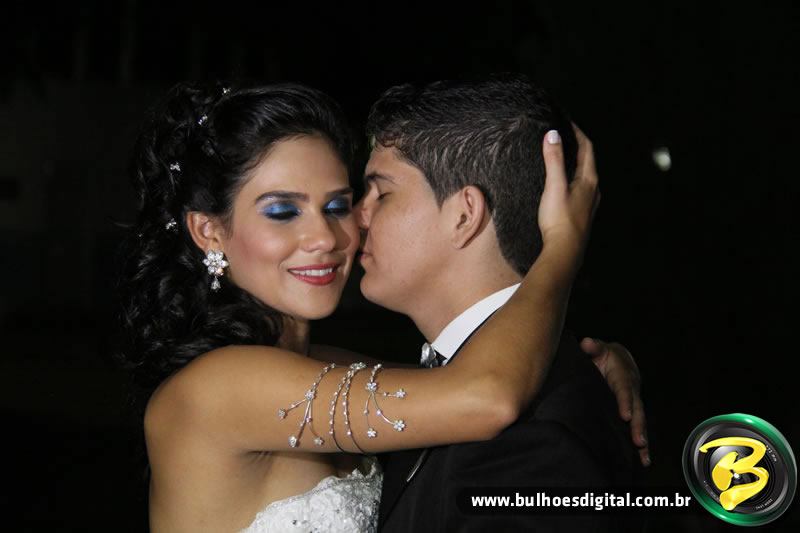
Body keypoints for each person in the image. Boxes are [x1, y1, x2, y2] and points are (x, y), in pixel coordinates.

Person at [116, 81, 628, 532]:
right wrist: (561, 248)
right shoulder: (217, 387)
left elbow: (473, 375)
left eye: (337, 205)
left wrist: (585, 361)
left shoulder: (328, 367)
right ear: (209, 231)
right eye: (283, 211)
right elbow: (484, 395)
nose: (327, 237)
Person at [361, 75, 644, 531]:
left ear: (464, 215)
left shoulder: (535, 440)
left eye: (382, 193)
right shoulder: (445, 381)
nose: (358, 215)